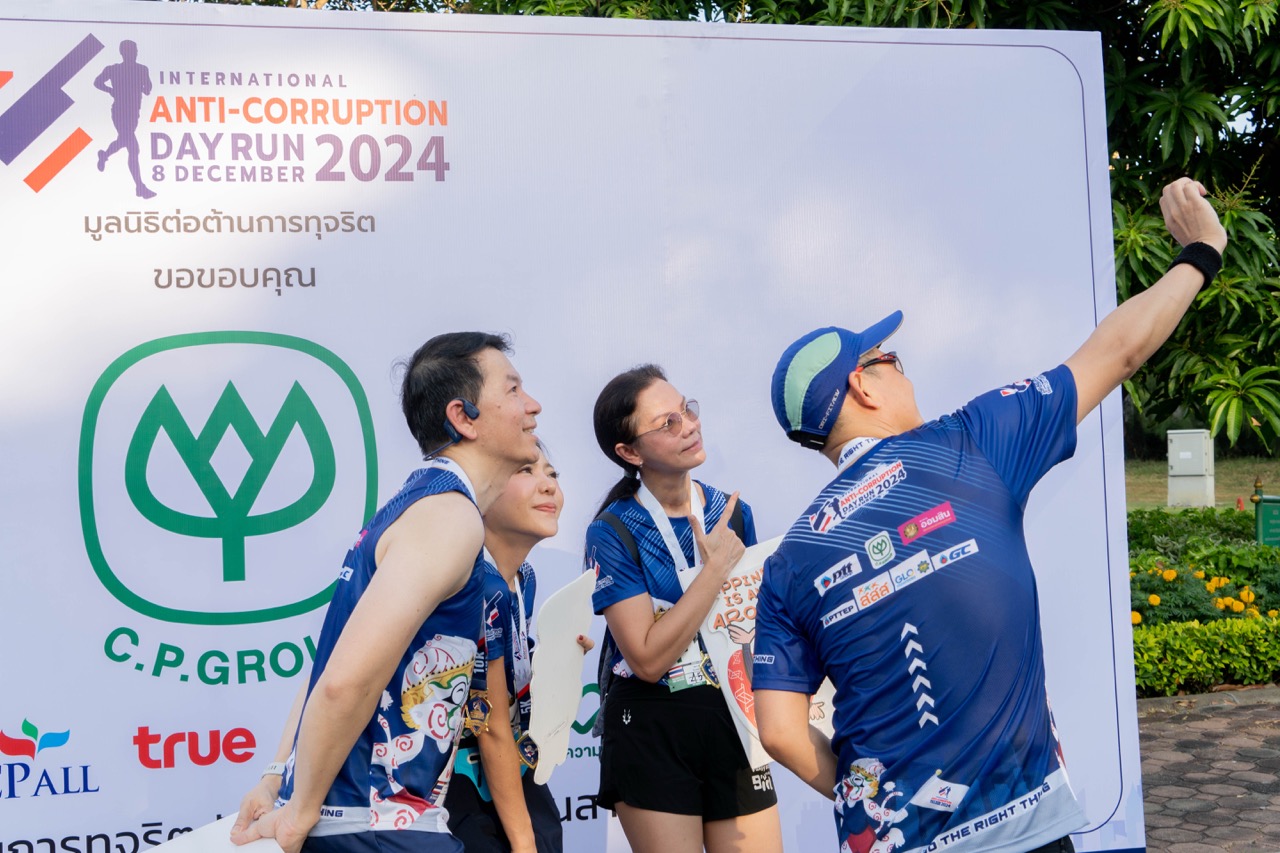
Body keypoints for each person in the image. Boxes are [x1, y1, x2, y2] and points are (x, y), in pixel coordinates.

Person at [752, 177, 1228, 853]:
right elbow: (1119, 350)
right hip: (1023, 825)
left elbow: (778, 731)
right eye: (892, 360)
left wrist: (871, 799)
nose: (906, 373)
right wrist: (1202, 252)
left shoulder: (790, 559)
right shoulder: (971, 443)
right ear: (863, 384)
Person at [230, 332, 542, 853]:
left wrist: (279, 778)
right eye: (512, 390)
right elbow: (341, 685)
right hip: (377, 826)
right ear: (463, 417)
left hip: (372, 824)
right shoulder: (447, 516)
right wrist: (298, 810)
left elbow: (330, 667)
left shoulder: (417, 505)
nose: (532, 406)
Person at [236, 442, 589, 853]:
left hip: (497, 779)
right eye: (526, 470)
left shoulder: (522, 578)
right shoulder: (460, 567)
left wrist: (557, 662)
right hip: (430, 794)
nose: (548, 486)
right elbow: (334, 675)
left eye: (553, 473)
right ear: (486, 492)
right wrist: (277, 777)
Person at [585, 364, 783, 853]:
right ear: (630, 453)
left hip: (731, 718)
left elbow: (747, 627)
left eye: (686, 410)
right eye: (667, 423)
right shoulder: (612, 530)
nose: (689, 425)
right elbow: (647, 659)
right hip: (651, 726)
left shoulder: (732, 513)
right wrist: (713, 571)